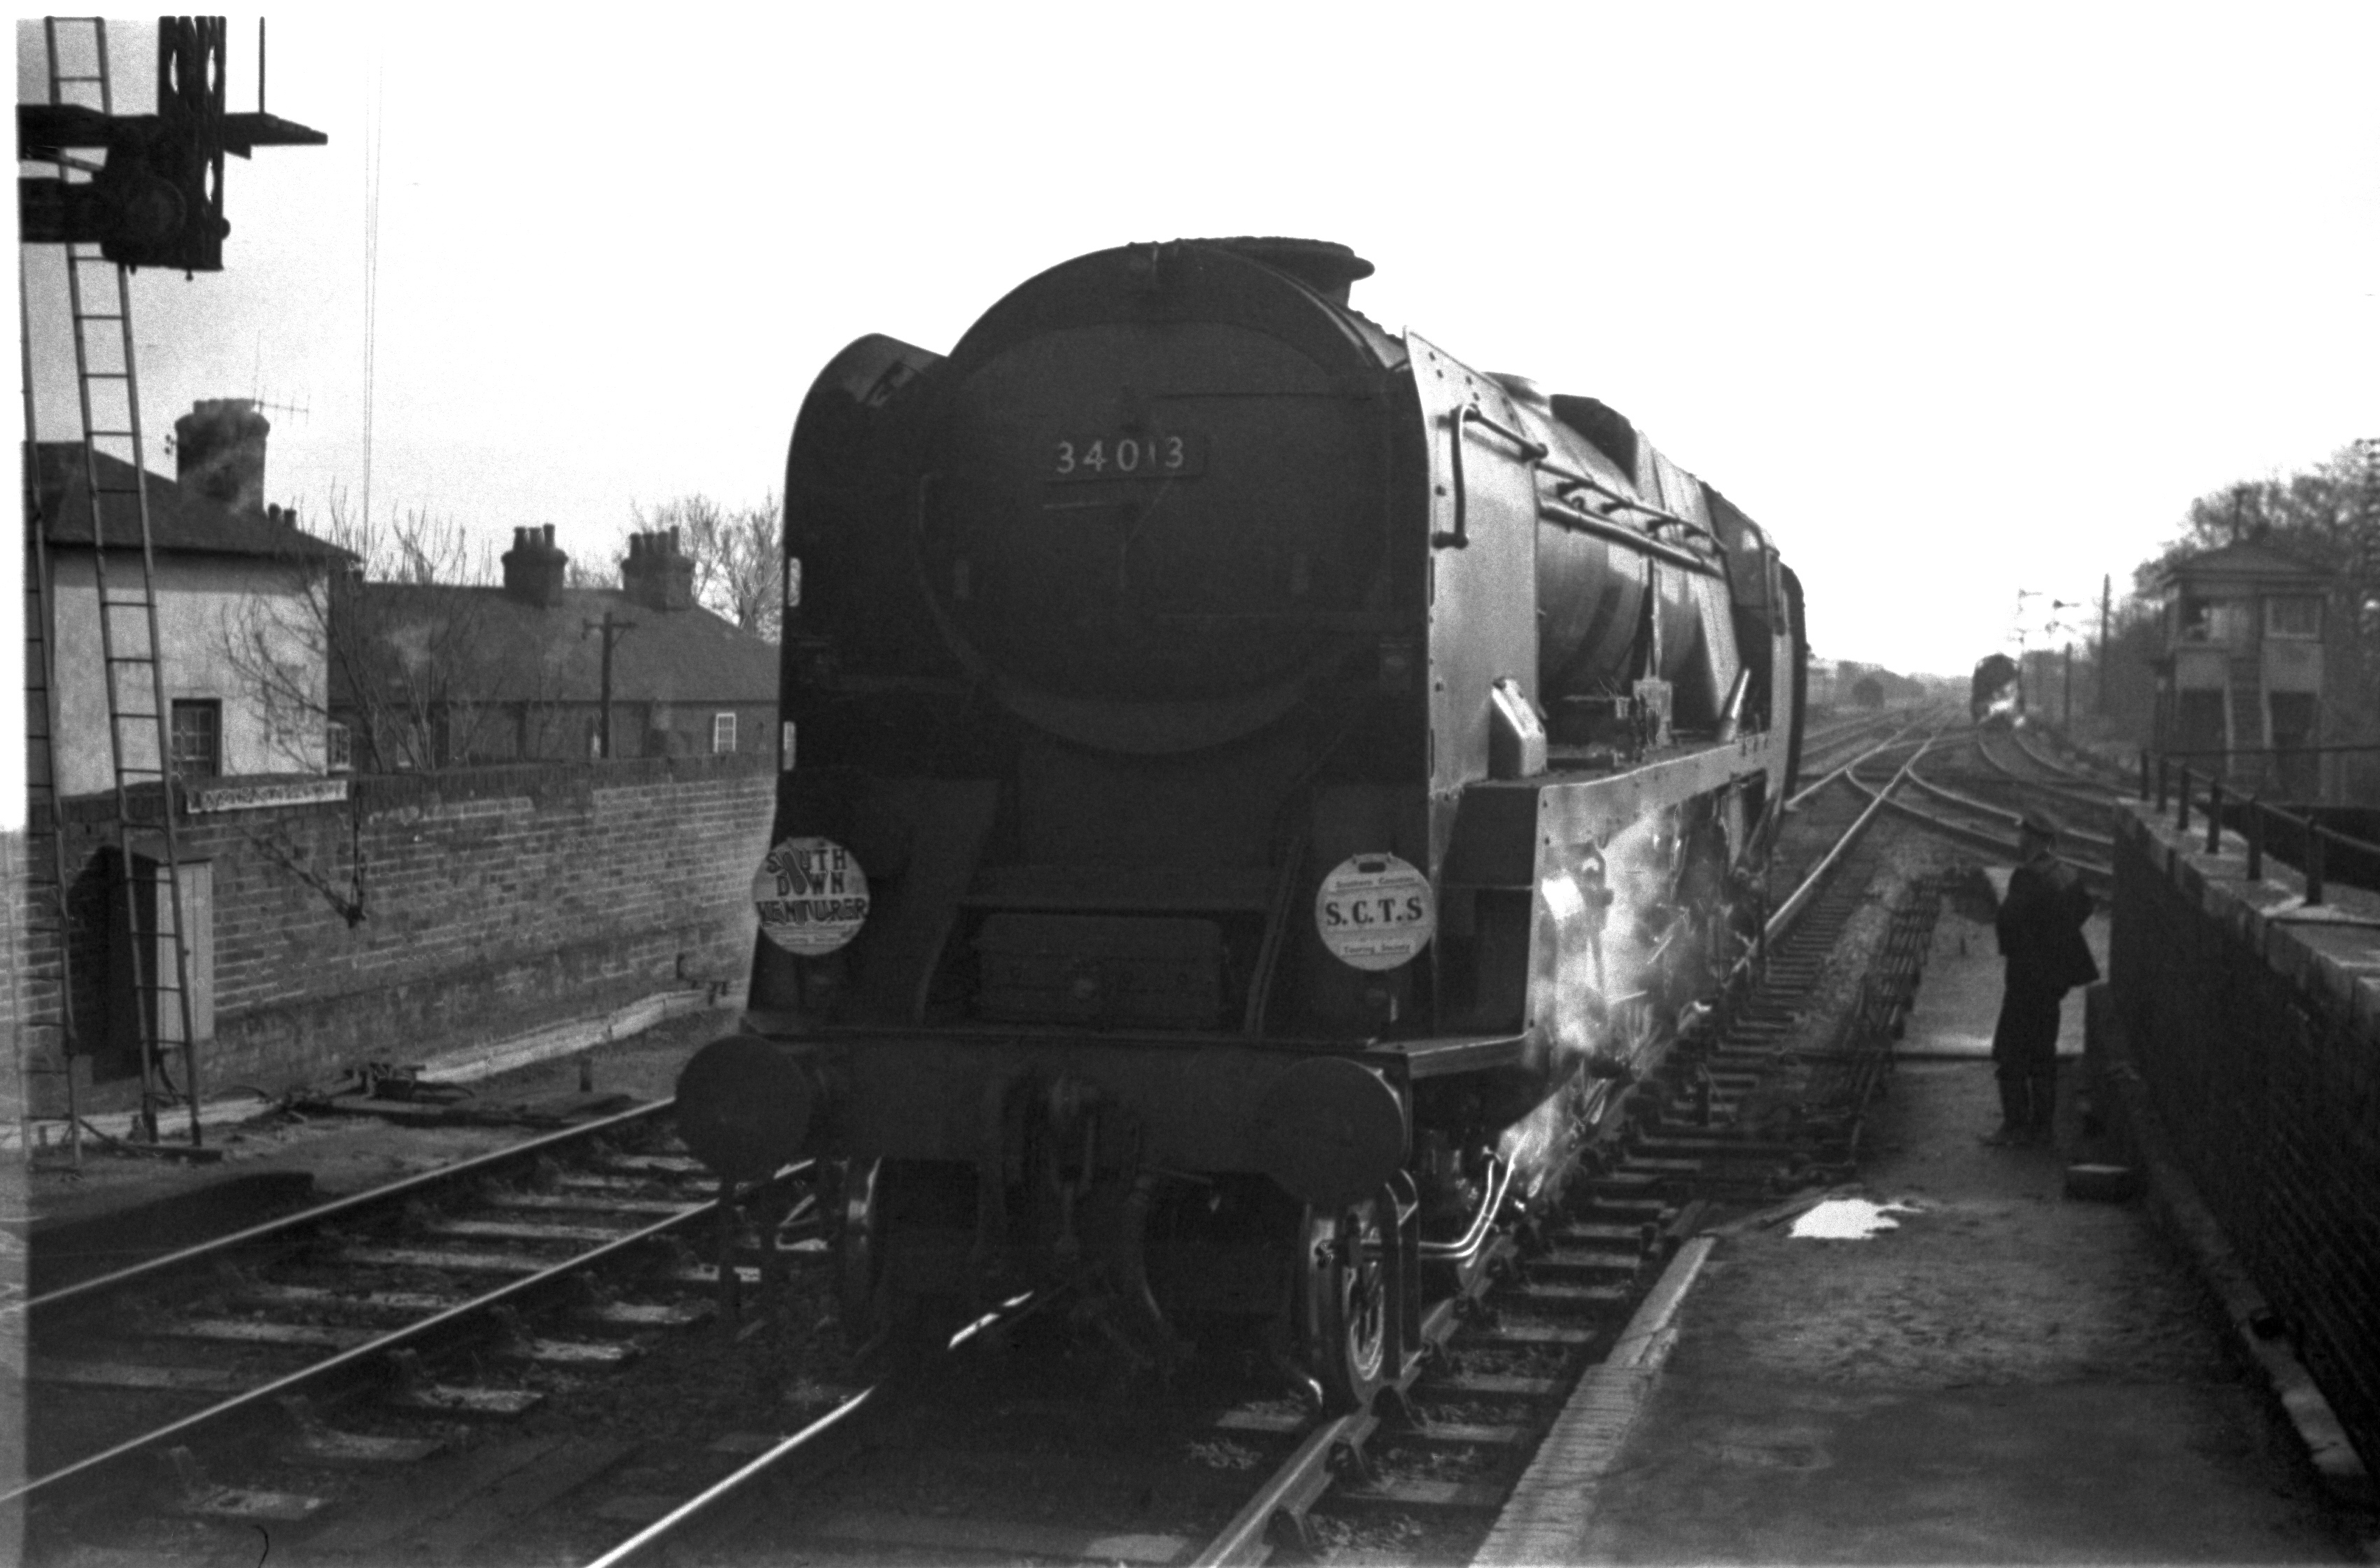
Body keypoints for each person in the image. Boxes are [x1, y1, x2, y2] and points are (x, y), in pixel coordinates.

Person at [1983, 809, 2098, 1148]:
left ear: (2032, 839)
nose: (2018, 839)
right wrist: (2055, 942)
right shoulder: (2066, 873)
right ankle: (2043, 1129)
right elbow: (2085, 908)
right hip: (2053, 982)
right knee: (2044, 1051)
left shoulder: (2027, 878)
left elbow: (2008, 922)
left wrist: (2030, 945)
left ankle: (2014, 1127)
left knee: (2010, 1050)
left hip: (2026, 980)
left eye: (2022, 834)